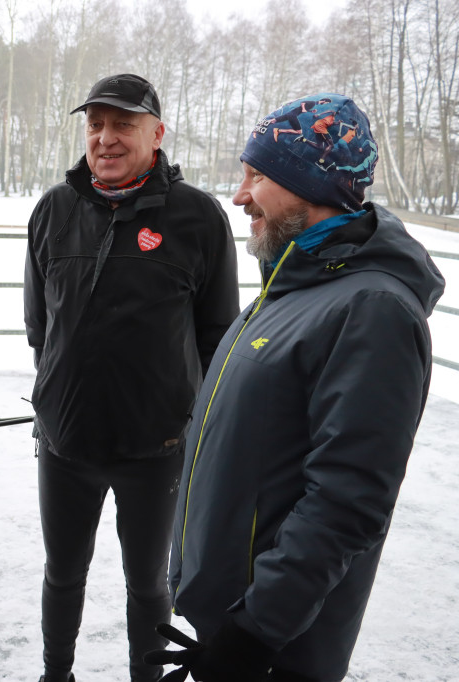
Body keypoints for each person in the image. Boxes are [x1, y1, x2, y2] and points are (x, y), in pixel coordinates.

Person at [153, 94, 445, 682]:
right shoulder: (289, 283)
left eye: (257, 176)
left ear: (314, 186)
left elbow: (347, 499)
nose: (238, 196)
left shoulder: (373, 309)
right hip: (231, 613)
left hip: (276, 643)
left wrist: (256, 630)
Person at [24, 73, 240, 682]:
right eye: (95, 124)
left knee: (147, 582)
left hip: (157, 449)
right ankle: (55, 673)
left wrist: (184, 416)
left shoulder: (197, 217)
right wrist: (55, 400)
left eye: (123, 124)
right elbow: (41, 326)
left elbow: (217, 336)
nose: (105, 138)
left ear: (156, 132)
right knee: (62, 572)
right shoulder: (54, 210)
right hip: (65, 445)